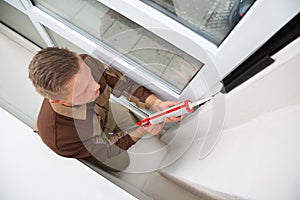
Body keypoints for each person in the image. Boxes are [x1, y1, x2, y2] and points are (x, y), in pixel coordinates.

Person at [28, 47, 182, 171]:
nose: (97, 86)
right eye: (84, 90)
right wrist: (141, 131)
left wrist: (156, 104)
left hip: (104, 114)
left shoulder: (85, 63)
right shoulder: (61, 138)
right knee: (122, 164)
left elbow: (123, 84)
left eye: (90, 77)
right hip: (90, 141)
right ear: (59, 101)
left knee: (131, 120)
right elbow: (106, 150)